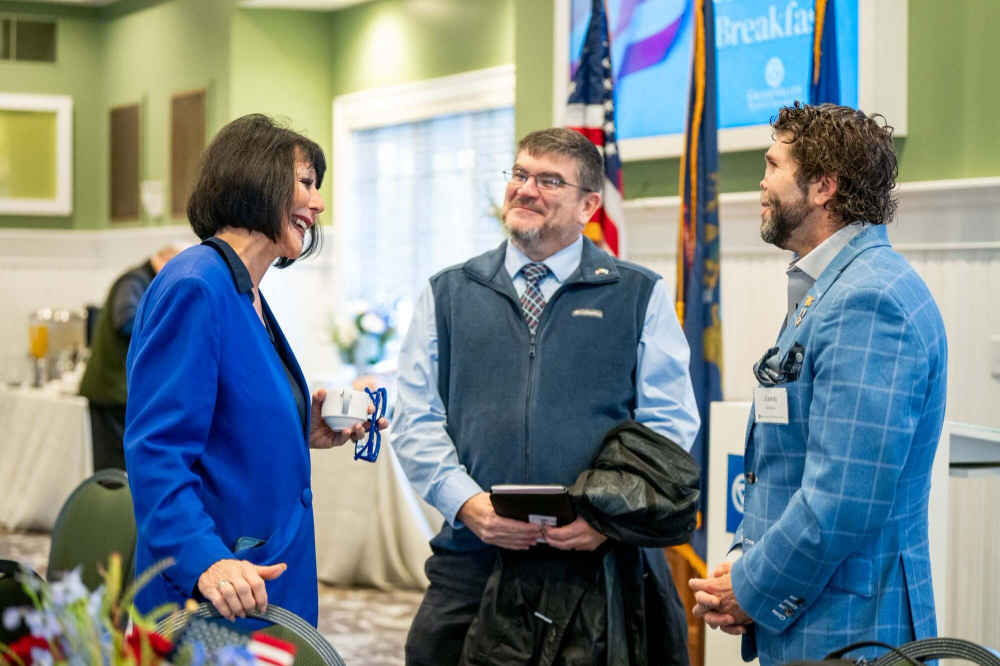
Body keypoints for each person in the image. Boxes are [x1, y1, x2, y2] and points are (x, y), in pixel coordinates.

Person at [392, 127, 702, 665]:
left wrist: (607, 519)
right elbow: (415, 417)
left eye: (549, 180)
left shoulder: (638, 294)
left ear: (589, 205)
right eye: (519, 174)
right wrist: (467, 504)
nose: (525, 189)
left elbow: (668, 428)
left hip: (598, 566)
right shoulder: (449, 292)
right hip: (476, 556)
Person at [689, 103, 948, 664]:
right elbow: (788, 465)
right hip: (816, 616)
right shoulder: (830, 285)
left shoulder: (869, 300)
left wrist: (751, 589)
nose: (760, 183)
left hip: (852, 630)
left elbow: (842, 499)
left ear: (823, 186)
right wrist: (744, 562)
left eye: (772, 165)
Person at [124, 114, 387, 627]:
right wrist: (206, 561)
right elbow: (157, 451)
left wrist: (300, 426)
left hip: (259, 581)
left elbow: (223, 422)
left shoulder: (243, 289)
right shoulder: (197, 285)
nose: (318, 202)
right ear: (255, 177)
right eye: (306, 183)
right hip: (213, 593)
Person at [79, 244, 184, 471]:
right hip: (111, 391)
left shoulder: (142, 281)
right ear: (164, 261)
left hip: (116, 390)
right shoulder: (134, 281)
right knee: (115, 469)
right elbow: (126, 319)